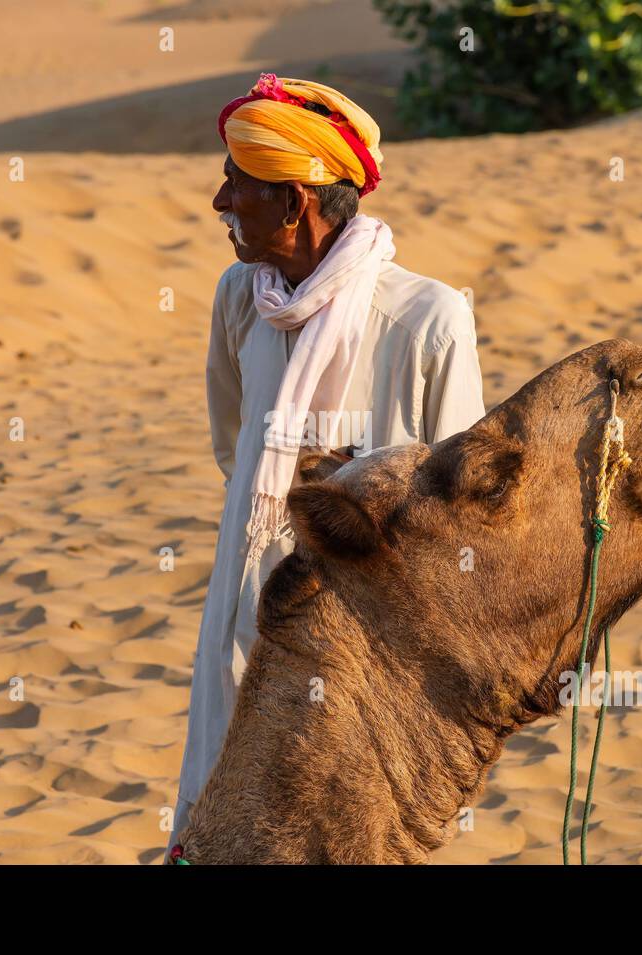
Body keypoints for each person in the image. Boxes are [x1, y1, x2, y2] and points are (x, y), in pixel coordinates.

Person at [170, 73, 486, 845]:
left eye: (235, 182)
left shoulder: (428, 321)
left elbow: (462, 517)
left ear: (294, 201)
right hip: (245, 623)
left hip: (367, 658)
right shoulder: (241, 298)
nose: (219, 203)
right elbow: (233, 447)